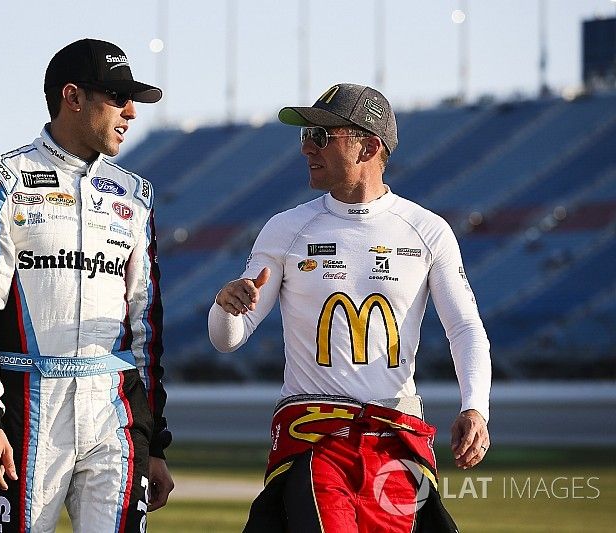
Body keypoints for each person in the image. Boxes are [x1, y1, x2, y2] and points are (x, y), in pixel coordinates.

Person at [208, 83, 491, 532]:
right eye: (304, 136)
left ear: (370, 146)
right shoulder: (285, 228)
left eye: (322, 136)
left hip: (395, 435)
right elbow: (228, 340)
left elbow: (465, 328)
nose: (306, 149)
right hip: (312, 435)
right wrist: (225, 306)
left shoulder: (427, 230)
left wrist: (475, 406)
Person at [0, 38, 173, 533]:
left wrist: (154, 443)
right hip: (27, 409)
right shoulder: (0, 179)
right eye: (117, 97)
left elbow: (146, 328)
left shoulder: (136, 195)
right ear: (73, 96)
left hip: (111, 413)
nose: (132, 112)